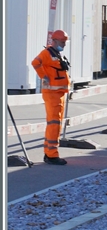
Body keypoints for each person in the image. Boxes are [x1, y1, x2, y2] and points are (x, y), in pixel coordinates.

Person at [31, 30, 71, 165]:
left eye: (65, 42)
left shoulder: (56, 54)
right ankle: (51, 155)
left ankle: (50, 153)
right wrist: (44, 76)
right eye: (62, 42)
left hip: (58, 93)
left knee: (55, 124)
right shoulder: (47, 53)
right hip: (52, 94)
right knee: (54, 124)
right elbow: (35, 63)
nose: (64, 45)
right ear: (54, 41)